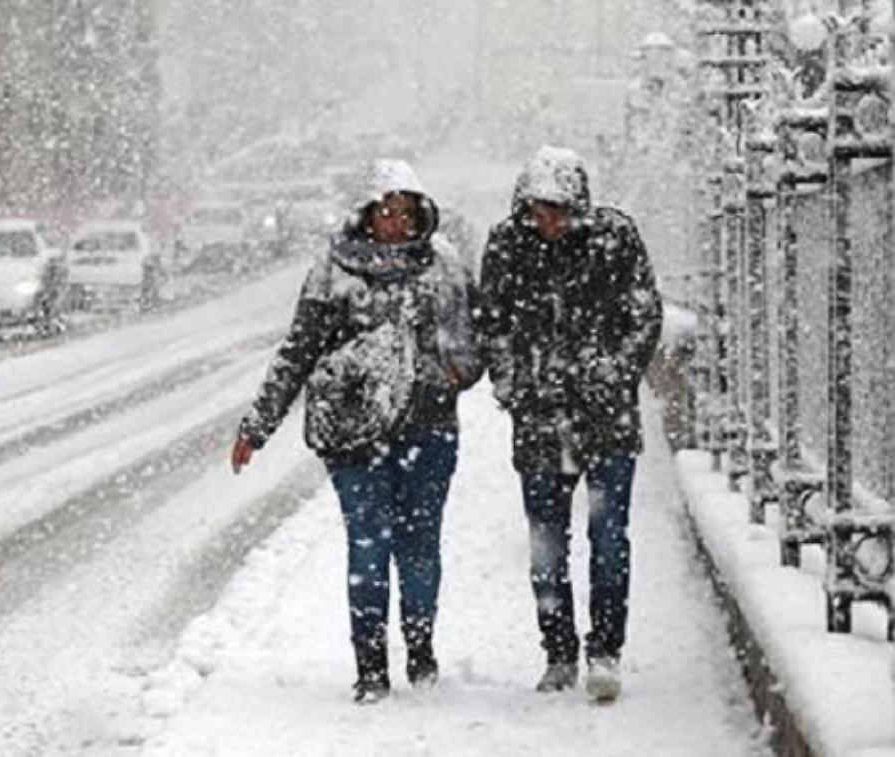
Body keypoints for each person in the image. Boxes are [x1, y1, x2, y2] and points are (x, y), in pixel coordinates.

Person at [231, 159, 484, 704]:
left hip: (429, 431)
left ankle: (420, 649)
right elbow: (298, 350)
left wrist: (450, 371)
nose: (395, 222)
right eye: (385, 212)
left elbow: (474, 345)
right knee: (368, 546)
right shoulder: (334, 271)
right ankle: (370, 665)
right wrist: (259, 424)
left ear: (421, 216)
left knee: (419, 547)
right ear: (366, 215)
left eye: (405, 213)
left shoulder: (445, 269)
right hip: (356, 436)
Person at [477, 146, 663, 702]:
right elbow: (493, 322)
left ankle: (605, 650)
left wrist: (616, 372)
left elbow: (644, 313)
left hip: (607, 420)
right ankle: (558, 651)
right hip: (540, 421)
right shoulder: (508, 247)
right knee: (546, 544)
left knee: (608, 539)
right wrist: (512, 383)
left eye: (557, 210)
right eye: (538, 211)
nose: (549, 222)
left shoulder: (615, 238)